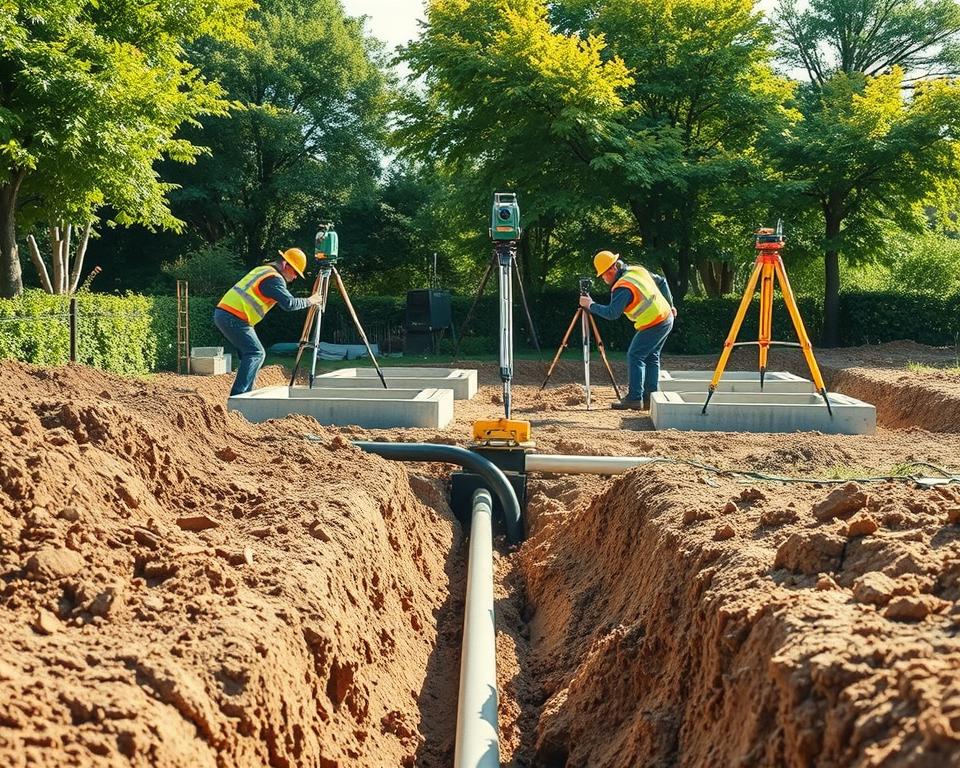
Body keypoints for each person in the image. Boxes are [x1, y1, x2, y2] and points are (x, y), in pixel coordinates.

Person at [214, 248, 322, 396]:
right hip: (234, 316)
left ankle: (245, 394)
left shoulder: (264, 270)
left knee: (251, 354)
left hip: (228, 314)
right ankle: (239, 396)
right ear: (285, 265)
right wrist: (311, 300)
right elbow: (289, 304)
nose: (295, 277)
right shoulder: (274, 279)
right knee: (255, 353)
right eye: (295, 272)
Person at [580, 250, 677, 410]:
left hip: (654, 323)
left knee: (635, 354)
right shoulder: (636, 270)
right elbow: (662, 281)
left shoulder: (622, 287)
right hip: (666, 317)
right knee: (651, 356)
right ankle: (648, 399)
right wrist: (671, 304)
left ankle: (634, 398)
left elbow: (612, 313)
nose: (604, 279)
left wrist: (590, 305)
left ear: (612, 270)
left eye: (603, 275)